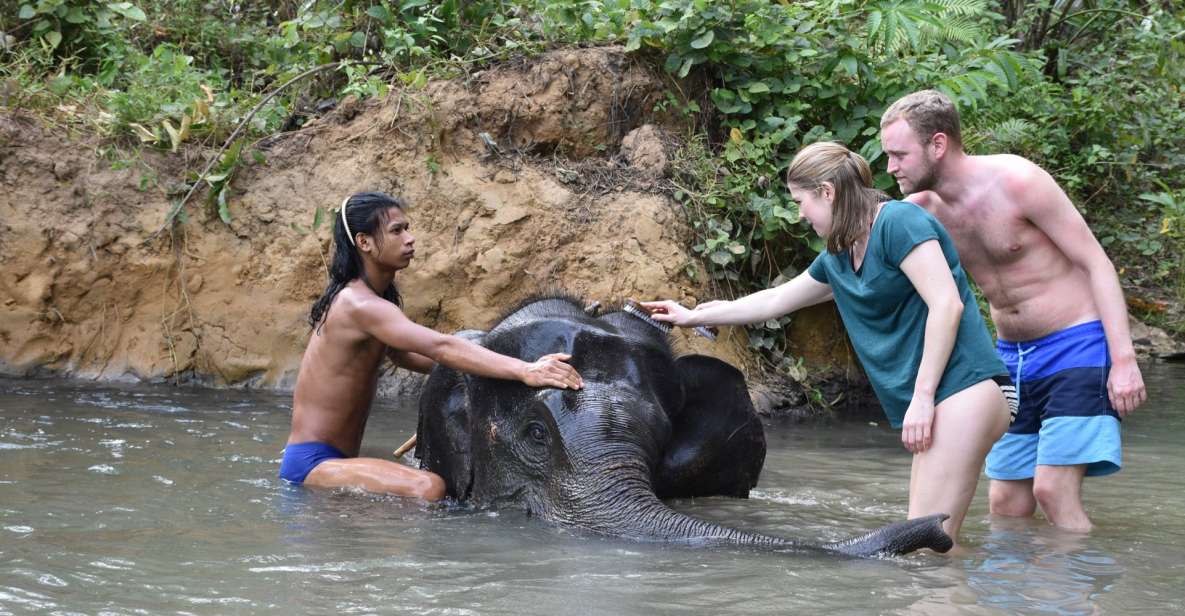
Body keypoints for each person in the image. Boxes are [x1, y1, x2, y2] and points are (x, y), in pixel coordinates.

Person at [643, 142, 1011, 546]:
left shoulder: (898, 223)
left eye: (801, 201)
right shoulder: (839, 255)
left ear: (828, 192)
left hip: (965, 389)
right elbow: (774, 300)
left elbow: (947, 303)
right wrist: (692, 315)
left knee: (929, 548)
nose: (799, 213)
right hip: (943, 398)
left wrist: (921, 398)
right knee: (928, 548)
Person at [879, 89, 1147, 531]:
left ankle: (1083, 595)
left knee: (1052, 490)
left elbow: (1095, 262)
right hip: (1009, 358)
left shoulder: (1018, 182)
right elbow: (859, 265)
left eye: (899, 155)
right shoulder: (920, 213)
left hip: (1077, 343)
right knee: (1005, 502)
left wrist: (1124, 359)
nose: (891, 167)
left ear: (938, 145)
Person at [280, 191, 583, 500]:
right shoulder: (359, 305)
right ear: (364, 242)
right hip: (312, 464)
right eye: (397, 231)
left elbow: (410, 357)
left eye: (407, 228)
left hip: (333, 461)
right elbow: (440, 347)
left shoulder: (369, 302)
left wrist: (497, 372)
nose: (410, 239)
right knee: (428, 487)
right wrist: (525, 370)